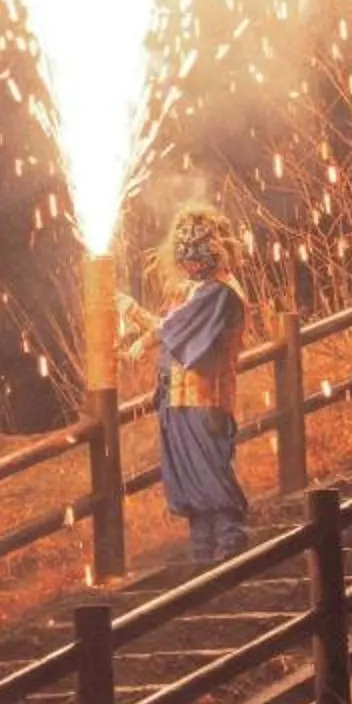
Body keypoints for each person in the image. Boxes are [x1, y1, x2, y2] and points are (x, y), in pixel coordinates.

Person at [125, 203, 252, 566]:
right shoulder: (200, 291)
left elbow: (174, 329)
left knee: (210, 478)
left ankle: (229, 552)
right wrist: (140, 327)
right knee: (190, 482)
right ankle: (203, 559)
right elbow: (174, 326)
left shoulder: (220, 292)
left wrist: (135, 315)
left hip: (205, 400)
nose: (189, 265)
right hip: (181, 402)